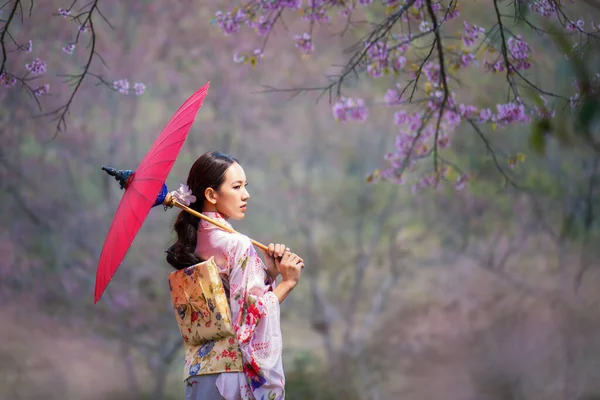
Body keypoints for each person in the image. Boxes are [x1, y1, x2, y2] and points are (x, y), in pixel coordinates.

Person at [166, 151, 304, 400]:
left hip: (200, 374)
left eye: (245, 186)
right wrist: (288, 282)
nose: (246, 194)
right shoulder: (237, 244)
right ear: (211, 194)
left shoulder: (192, 243)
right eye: (237, 186)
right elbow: (249, 319)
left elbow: (230, 307)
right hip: (231, 376)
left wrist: (268, 274)